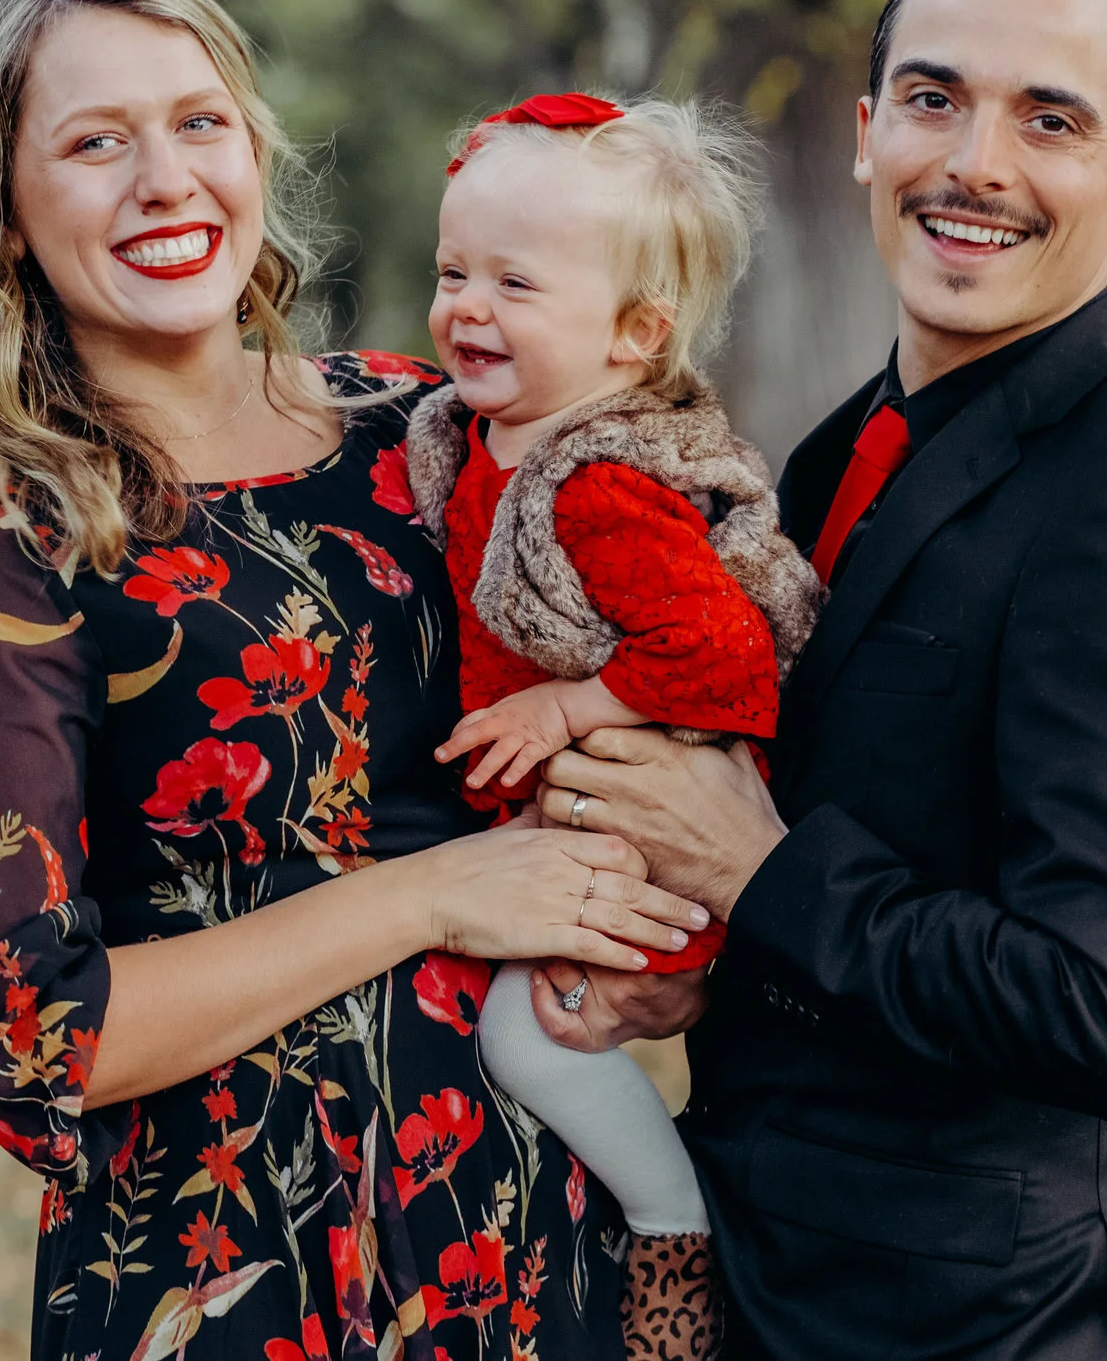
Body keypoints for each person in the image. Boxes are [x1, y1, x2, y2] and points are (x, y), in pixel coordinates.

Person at [0, 0, 707, 1361]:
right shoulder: (9, 541)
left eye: (199, 122)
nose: (164, 179)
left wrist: (667, 946)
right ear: (3, 213)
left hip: (541, 1250)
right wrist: (434, 895)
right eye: (95, 142)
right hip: (232, 1272)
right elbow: (26, 1041)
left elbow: (658, 686)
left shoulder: (428, 426)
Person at [530, 0, 1107, 1359]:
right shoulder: (842, 452)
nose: (976, 162)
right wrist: (716, 955)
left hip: (996, 1323)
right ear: (868, 132)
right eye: (936, 98)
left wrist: (759, 870)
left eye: (1050, 120)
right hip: (786, 1282)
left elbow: (1104, 1009)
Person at [403, 92, 823, 1360]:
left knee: (527, 1037)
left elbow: (729, 660)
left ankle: (669, 1222)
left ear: (635, 333)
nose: (468, 307)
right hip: (582, 811)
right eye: (453, 271)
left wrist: (566, 703)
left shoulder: (597, 483)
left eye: (515, 283)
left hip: (655, 823)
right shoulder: (484, 438)